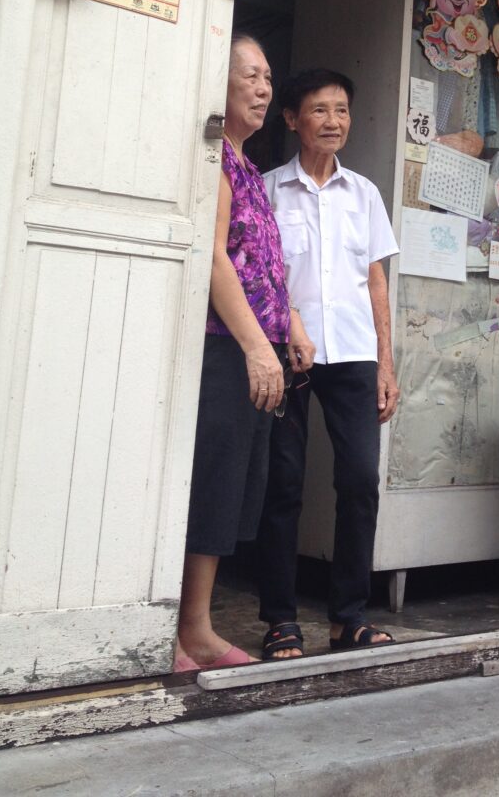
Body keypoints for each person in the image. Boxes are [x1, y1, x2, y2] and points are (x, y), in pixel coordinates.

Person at [175, 36, 315, 672]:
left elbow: (262, 266)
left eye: (268, 77)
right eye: (250, 76)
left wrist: (291, 326)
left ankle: (196, 628)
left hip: (258, 349)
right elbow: (213, 260)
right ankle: (191, 632)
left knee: (236, 489)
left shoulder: (251, 168)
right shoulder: (217, 163)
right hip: (225, 350)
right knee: (213, 486)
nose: (263, 88)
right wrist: (258, 348)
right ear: (220, 83)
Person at [256, 68, 399, 660]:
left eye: (341, 110)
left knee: (360, 481)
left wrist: (387, 363)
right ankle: (280, 619)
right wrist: (282, 332)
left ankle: (350, 616)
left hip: (355, 353)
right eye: (320, 110)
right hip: (287, 354)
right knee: (283, 485)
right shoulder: (267, 189)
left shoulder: (364, 193)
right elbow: (260, 274)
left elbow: (376, 281)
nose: (334, 122)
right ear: (292, 119)